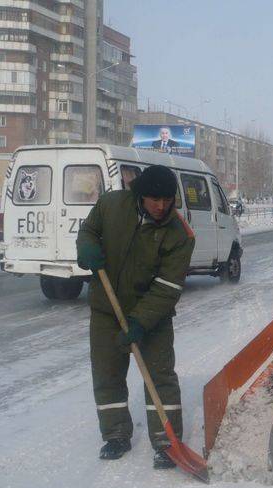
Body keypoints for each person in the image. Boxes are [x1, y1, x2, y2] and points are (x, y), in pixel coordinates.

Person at [76, 165, 195, 470]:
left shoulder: (179, 235)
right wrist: (86, 246)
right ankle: (115, 434)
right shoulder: (112, 205)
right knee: (107, 374)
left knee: (160, 376)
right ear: (140, 194)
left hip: (152, 316)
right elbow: (89, 229)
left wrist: (141, 321)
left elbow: (168, 287)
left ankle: (166, 441)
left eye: (167, 199)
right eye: (155, 199)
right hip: (107, 309)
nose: (161, 206)